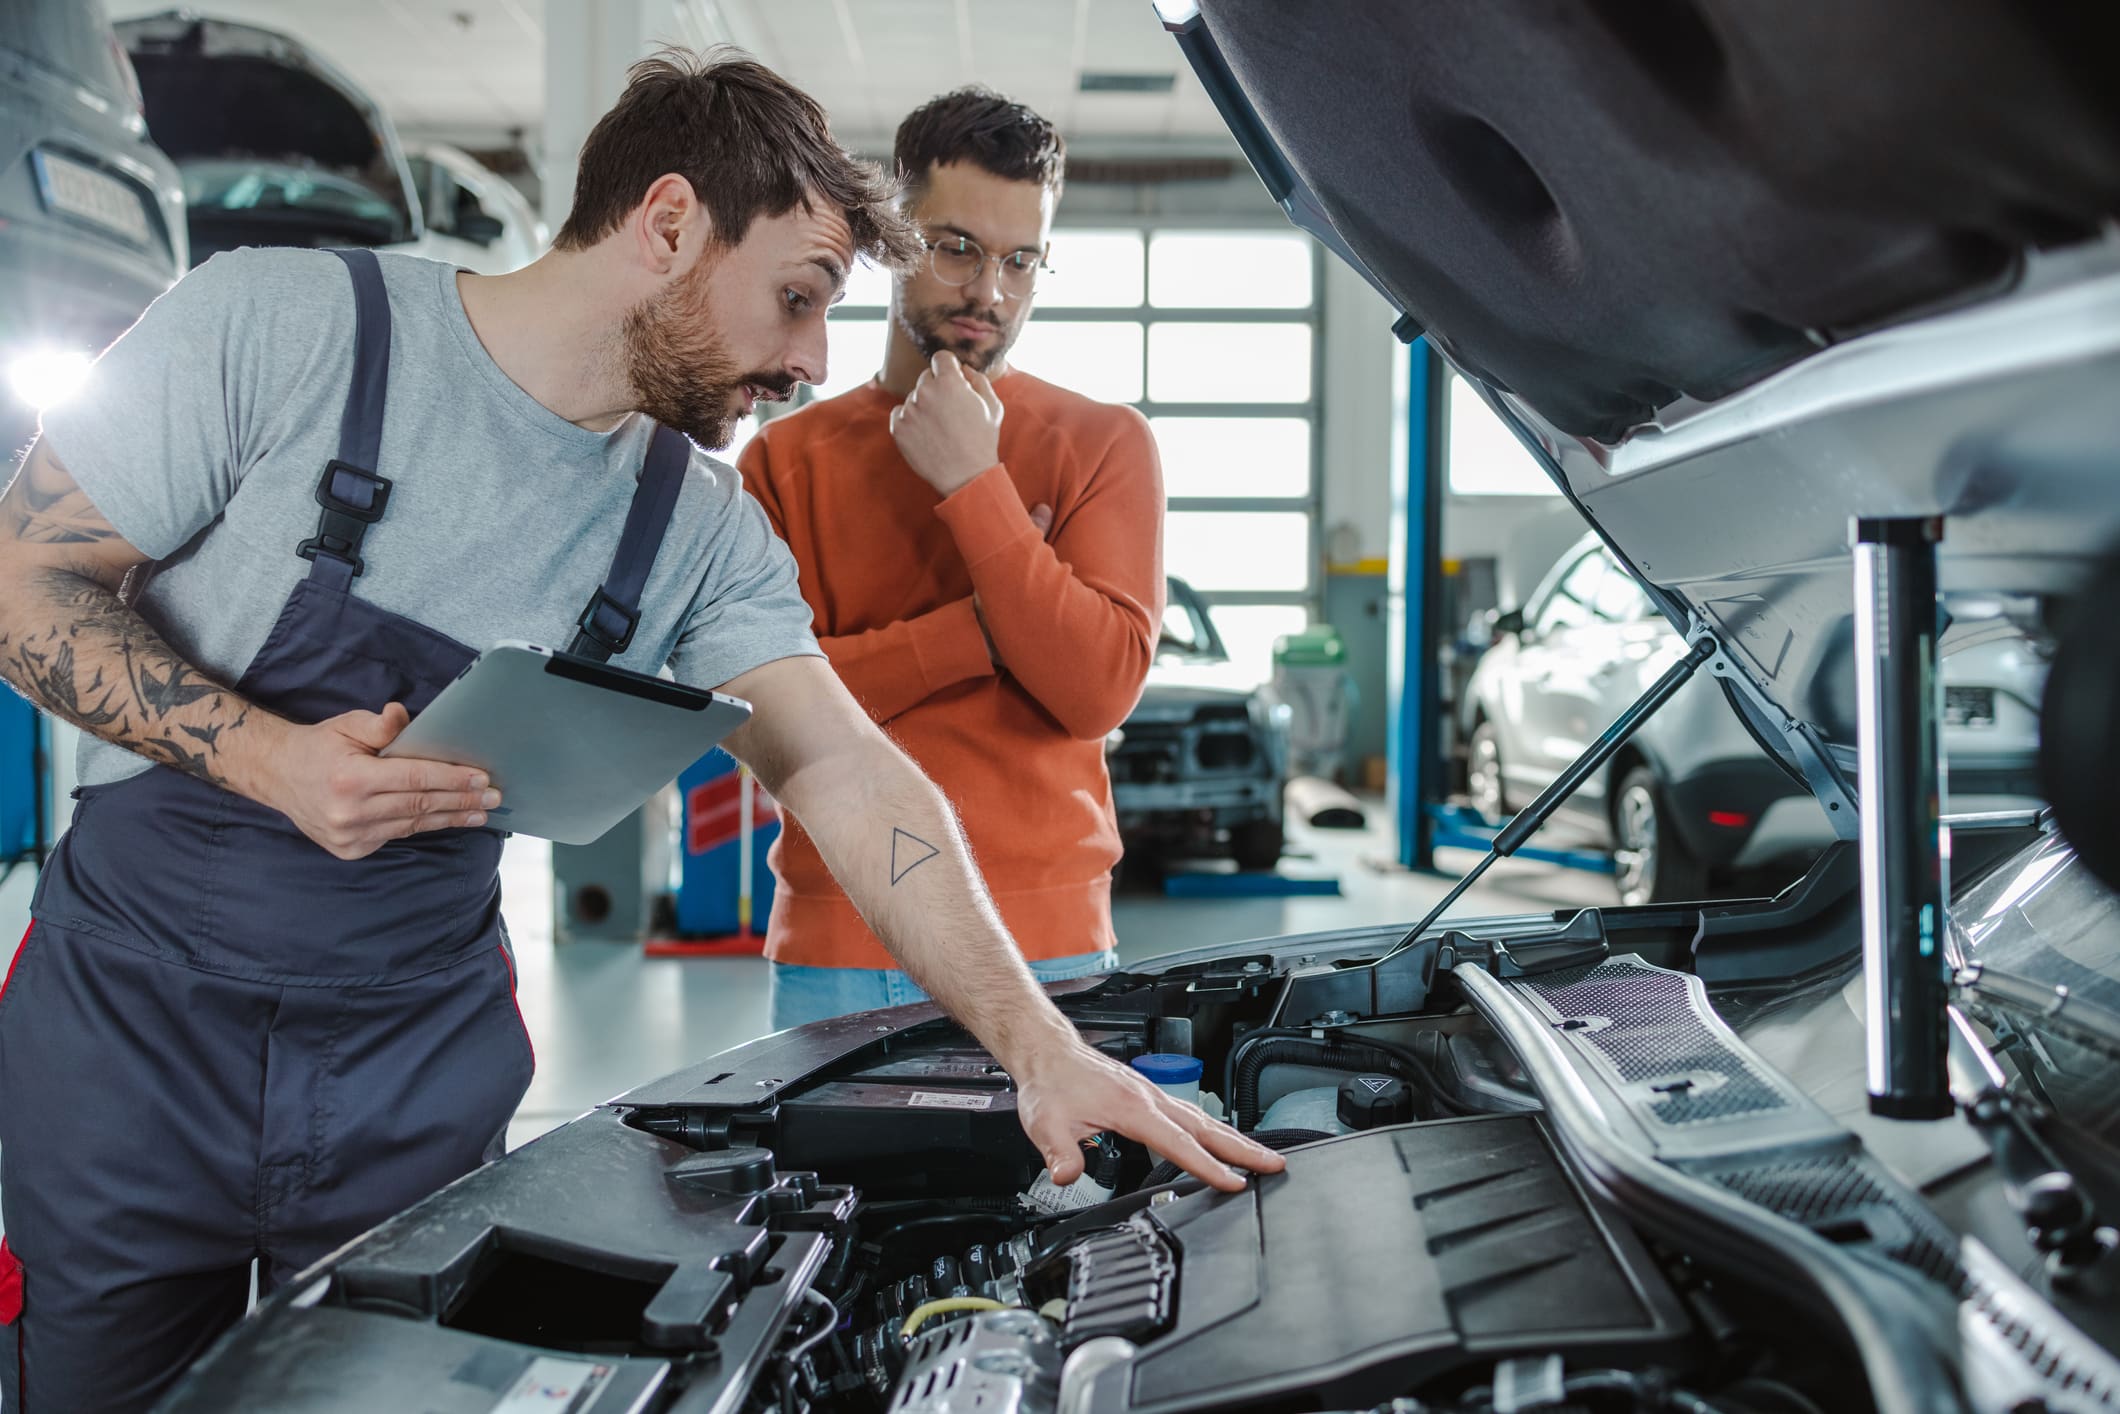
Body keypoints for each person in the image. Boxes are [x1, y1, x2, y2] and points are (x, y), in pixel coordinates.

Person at [0, 50, 1277, 1412]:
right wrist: (271, 761)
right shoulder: (283, 325)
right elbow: (21, 579)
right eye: (796, 299)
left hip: (407, 1069)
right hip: (133, 1046)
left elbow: (842, 766)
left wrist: (1042, 1043)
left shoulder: (694, 522)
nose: (811, 361)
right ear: (668, 223)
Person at [744, 89, 1163, 1028]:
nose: (990, 293)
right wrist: (984, 631)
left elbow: (1094, 689)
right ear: (891, 235)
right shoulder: (783, 460)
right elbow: (771, 722)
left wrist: (974, 483)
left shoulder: (1103, 443)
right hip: (840, 946)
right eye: (957, 247)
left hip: (1051, 949)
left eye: (1022, 260)